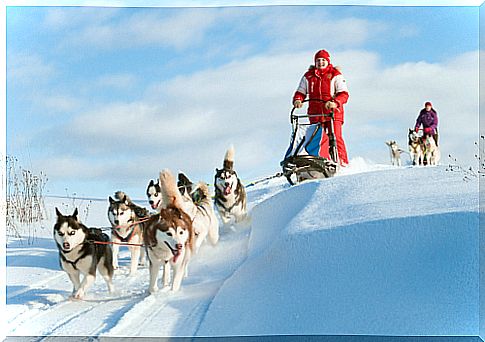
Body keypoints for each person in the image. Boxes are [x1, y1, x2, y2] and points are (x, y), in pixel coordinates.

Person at [292, 49, 350, 166]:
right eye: (318, 60)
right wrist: (298, 100)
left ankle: (342, 162)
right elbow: (301, 91)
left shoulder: (335, 74)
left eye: (323, 60)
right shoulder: (308, 76)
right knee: (317, 138)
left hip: (333, 112)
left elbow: (343, 94)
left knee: (336, 136)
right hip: (315, 113)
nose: (321, 62)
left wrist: (335, 102)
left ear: (328, 61)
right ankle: (318, 161)